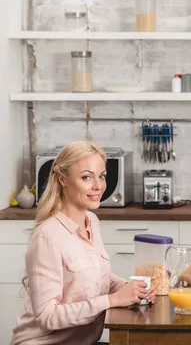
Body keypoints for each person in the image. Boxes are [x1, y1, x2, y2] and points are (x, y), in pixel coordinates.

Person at [11, 141, 155, 345]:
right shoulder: (48, 236)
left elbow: (95, 274)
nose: (98, 186)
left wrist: (131, 288)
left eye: (101, 176)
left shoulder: (92, 221)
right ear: (62, 179)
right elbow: (47, 316)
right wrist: (113, 300)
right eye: (86, 177)